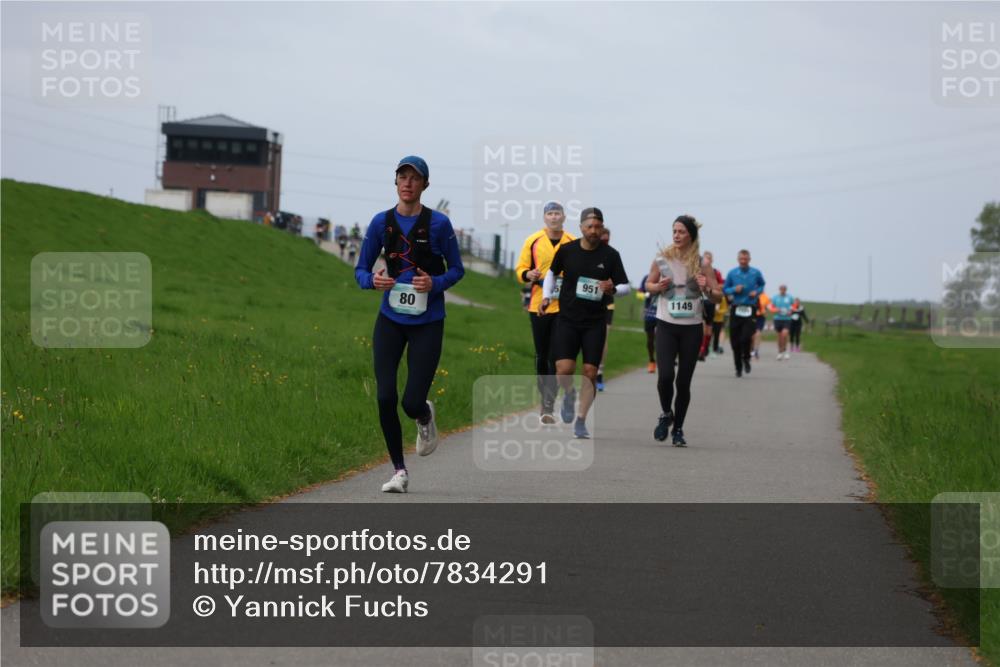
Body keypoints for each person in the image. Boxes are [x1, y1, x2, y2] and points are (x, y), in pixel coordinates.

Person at [355, 155, 465, 493]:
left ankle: (424, 416)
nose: (407, 182)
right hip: (390, 319)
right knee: (385, 396)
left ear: (424, 185)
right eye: (402, 176)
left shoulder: (439, 224)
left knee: (410, 402)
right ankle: (399, 471)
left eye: (414, 178)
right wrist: (373, 281)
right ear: (396, 183)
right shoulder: (380, 223)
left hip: (428, 321)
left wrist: (435, 283)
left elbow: (457, 270)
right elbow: (360, 271)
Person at [540, 207, 629, 439]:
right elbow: (551, 273)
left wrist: (614, 288)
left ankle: (581, 420)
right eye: (589, 226)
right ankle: (568, 393)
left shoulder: (611, 255)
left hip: (595, 322)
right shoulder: (567, 250)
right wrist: (546, 296)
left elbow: (625, 286)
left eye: (598, 226)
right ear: (580, 228)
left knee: (589, 372)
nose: (594, 230)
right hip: (568, 319)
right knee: (564, 369)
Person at [644, 215, 721, 447]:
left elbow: (718, 295)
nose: (676, 235)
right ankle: (666, 413)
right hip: (666, 325)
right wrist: (656, 287)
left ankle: (678, 429)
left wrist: (706, 287)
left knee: (683, 382)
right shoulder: (662, 259)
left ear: (691, 235)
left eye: (681, 232)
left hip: (691, 328)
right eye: (674, 231)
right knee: (665, 376)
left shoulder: (702, 264)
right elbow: (648, 284)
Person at [515, 201, 575, 423]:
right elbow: (520, 269)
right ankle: (545, 400)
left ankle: (549, 404)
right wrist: (527, 275)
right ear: (544, 217)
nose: (553, 217)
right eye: (550, 213)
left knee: (555, 356)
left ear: (563, 217)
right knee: (542, 356)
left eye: (557, 213)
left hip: (565, 306)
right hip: (539, 304)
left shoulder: (572, 242)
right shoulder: (533, 241)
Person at [723, 250, 765, 378]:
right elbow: (725, 289)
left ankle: (746, 358)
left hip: (750, 308)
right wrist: (734, 289)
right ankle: (738, 367)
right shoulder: (732, 273)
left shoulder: (755, 272)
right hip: (736, 308)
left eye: (745, 259)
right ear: (738, 259)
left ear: (749, 259)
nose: (743, 261)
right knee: (735, 342)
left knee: (746, 337)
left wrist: (756, 292)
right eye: (741, 259)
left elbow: (762, 285)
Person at [596, 226, 615, 390]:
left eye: (607, 240)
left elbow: (619, 281)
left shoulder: (611, 256)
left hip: (606, 303)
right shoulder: (585, 253)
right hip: (587, 302)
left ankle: (599, 373)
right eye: (602, 240)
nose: (605, 243)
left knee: (603, 339)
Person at [698, 251, 725, 362]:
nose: (707, 260)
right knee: (702, 326)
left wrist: (711, 286)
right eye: (705, 258)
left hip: (710, 301)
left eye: (709, 258)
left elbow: (721, 285)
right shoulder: (698, 270)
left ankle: (704, 349)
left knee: (709, 328)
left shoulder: (715, 272)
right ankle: (700, 349)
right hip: (700, 301)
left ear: (712, 260)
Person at [638, 273, 658, 373]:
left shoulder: (669, 277)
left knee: (662, 338)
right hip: (650, 313)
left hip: (663, 314)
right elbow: (639, 293)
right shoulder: (647, 277)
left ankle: (664, 360)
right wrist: (646, 294)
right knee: (650, 339)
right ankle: (651, 360)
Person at [770, 284, 795, 360]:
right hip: (778, 318)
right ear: (779, 289)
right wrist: (775, 310)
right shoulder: (775, 297)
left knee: (785, 334)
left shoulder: (789, 297)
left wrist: (791, 311)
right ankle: (780, 352)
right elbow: (771, 307)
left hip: (787, 319)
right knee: (779, 336)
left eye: (784, 289)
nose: (783, 290)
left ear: (786, 290)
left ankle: (785, 350)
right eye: (781, 289)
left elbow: (794, 305)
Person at [752, 291, 770, 360]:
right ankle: (751, 349)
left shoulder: (765, 297)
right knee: (751, 335)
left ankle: (756, 350)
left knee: (757, 333)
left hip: (760, 317)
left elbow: (768, 307)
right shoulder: (750, 293)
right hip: (750, 315)